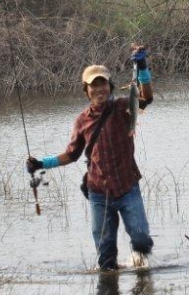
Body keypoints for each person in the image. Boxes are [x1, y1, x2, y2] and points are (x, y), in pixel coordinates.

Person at [27, 46, 154, 270]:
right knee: (105, 257)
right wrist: (40, 164)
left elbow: (146, 98)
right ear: (86, 90)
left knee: (142, 240)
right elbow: (71, 155)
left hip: (127, 187)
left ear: (110, 86)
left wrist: (142, 68)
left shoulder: (123, 107)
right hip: (98, 193)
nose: (99, 89)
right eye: (93, 86)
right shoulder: (81, 121)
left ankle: (140, 272)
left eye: (102, 84)